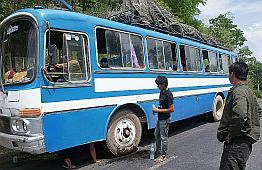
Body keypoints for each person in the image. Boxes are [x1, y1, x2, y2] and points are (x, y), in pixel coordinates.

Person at [217, 62, 261, 170]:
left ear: (232, 74)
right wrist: (249, 126)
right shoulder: (248, 90)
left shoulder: (238, 92)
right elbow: (258, 111)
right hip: (243, 143)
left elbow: (240, 115)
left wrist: (231, 134)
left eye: (229, 73)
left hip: (236, 143)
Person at [152, 75, 174, 163]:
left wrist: (158, 110)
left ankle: (163, 155)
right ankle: (158, 152)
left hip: (165, 119)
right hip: (160, 118)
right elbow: (162, 105)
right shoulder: (161, 92)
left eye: (159, 85)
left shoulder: (169, 94)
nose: (158, 86)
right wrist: (157, 110)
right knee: (156, 134)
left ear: (164, 84)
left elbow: (171, 109)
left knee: (163, 137)